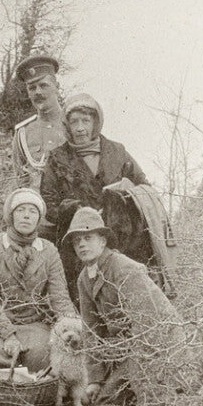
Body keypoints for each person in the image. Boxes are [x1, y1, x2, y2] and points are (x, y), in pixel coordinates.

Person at [62, 207, 184, 406]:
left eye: (88, 237)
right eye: (77, 241)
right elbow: (92, 331)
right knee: (100, 403)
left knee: (146, 402)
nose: (82, 244)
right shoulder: (84, 279)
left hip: (161, 342)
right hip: (128, 348)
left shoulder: (124, 267)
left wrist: (137, 374)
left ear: (102, 241)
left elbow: (148, 322)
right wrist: (94, 380)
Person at [40, 92, 151, 298]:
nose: (80, 127)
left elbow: (144, 187)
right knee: (86, 296)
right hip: (79, 244)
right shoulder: (57, 158)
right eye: (74, 122)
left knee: (126, 292)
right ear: (67, 125)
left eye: (86, 120)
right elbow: (48, 202)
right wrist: (76, 209)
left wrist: (124, 191)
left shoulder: (117, 151)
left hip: (122, 239)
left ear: (96, 122)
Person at [0, 187, 81, 373]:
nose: (26, 216)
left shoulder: (48, 250)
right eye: (20, 210)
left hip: (34, 325)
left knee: (46, 357)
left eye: (32, 211)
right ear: (11, 215)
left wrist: (75, 328)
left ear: (38, 219)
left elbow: (59, 297)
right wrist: (8, 335)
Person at [11, 55, 67, 194]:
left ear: (56, 86)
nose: (38, 92)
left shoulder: (74, 125)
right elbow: (20, 181)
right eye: (32, 88)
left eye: (43, 85)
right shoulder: (23, 133)